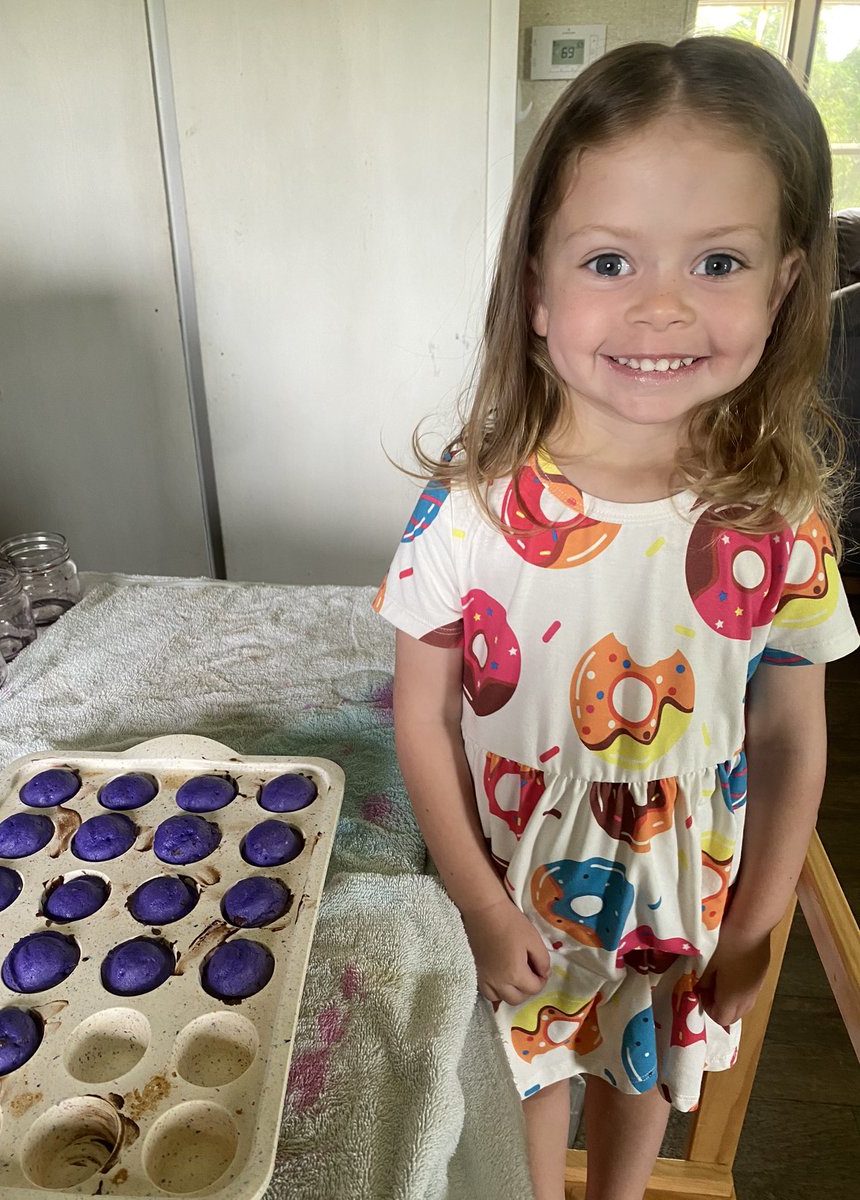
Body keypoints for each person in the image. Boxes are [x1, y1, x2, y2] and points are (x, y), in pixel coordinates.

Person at [374, 35, 860, 1200]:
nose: (658, 307)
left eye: (718, 262)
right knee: (530, 1096)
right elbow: (421, 713)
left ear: (786, 282)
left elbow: (794, 731)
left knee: (638, 1085)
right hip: (516, 894)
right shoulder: (470, 511)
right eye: (607, 260)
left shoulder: (781, 519)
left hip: (684, 905)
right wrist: (487, 914)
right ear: (536, 288)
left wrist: (757, 922)